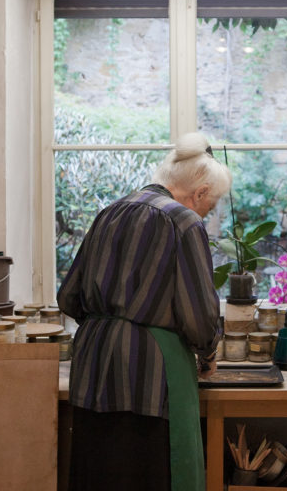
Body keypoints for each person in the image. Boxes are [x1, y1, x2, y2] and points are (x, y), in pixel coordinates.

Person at [57, 132, 232, 491]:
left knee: (99, 471)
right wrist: (208, 351)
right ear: (199, 193)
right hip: (151, 371)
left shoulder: (109, 212)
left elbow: (69, 298)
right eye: (209, 207)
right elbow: (198, 315)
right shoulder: (183, 221)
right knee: (150, 470)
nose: (206, 214)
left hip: (92, 363)